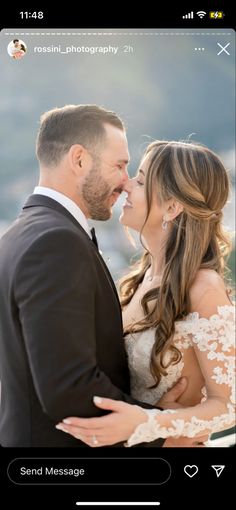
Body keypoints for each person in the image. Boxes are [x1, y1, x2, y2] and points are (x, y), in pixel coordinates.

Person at [0, 106, 196, 448]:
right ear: (79, 160)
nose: (126, 180)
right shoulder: (55, 242)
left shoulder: (19, 234)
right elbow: (70, 387)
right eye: (119, 165)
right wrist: (162, 434)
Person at [56, 140, 235, 447]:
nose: (126, 185)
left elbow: (228, 405)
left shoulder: (204, 289)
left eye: (140, 180)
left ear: (172, 206)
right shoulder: (142, 276)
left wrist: (151, 423)